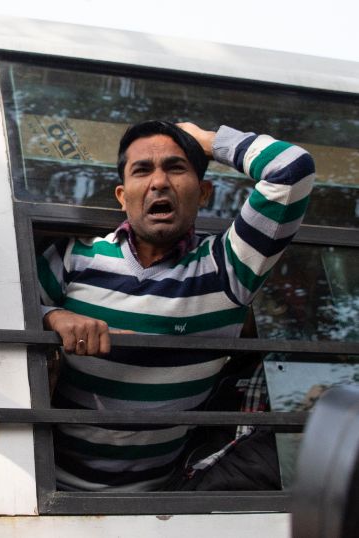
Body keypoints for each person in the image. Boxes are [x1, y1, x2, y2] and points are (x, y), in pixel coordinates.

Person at [37, 120, 315, 491]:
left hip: (163, 506)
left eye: (175, 167)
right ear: (122, 196)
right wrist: (54, 317)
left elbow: (291, 168)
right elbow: (4, 314)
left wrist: (208, 141)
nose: (158, 182)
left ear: (202, 193)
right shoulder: (75, 256)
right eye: (142, 170)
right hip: (48, 492)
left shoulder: (228, 268)